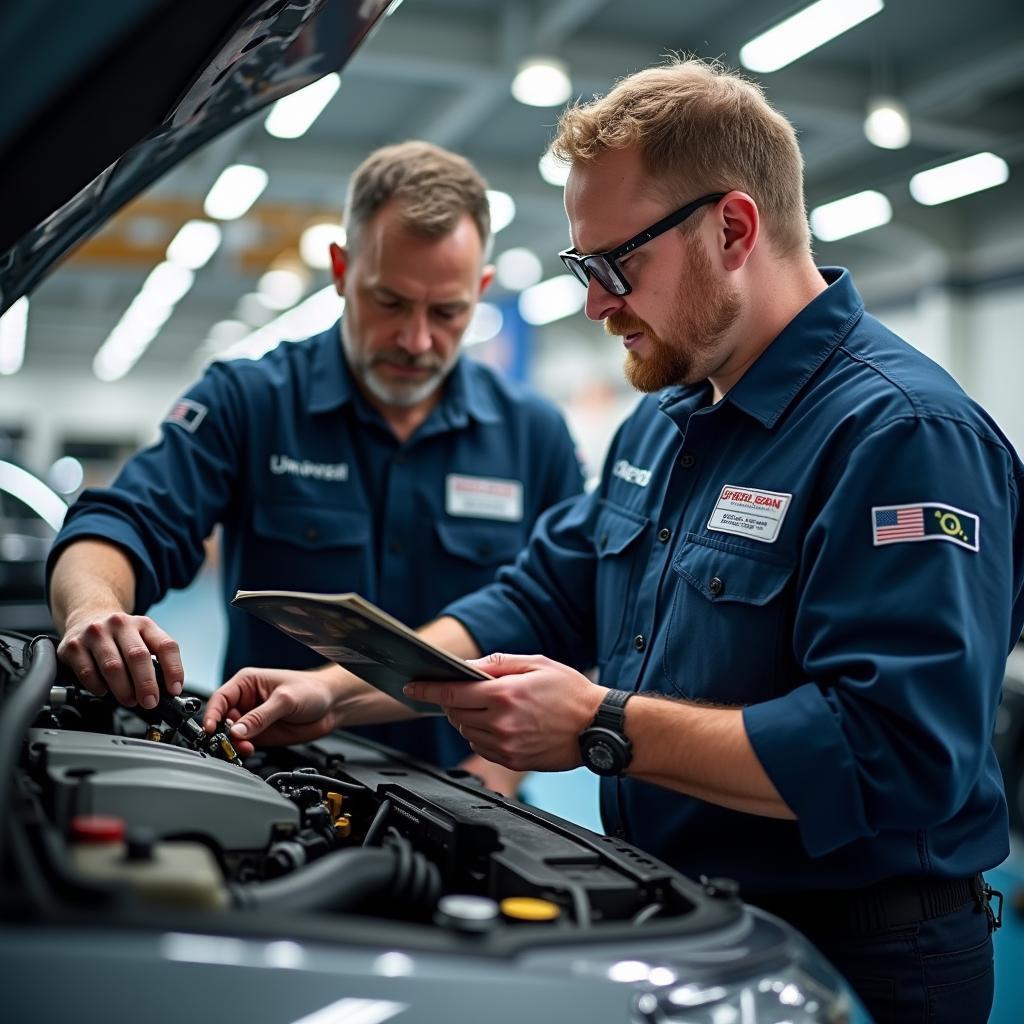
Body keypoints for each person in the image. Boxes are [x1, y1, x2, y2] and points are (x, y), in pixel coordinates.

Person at [203, 60, 1024, 1023]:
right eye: (581, 270)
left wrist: (605, 725)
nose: (596, 304)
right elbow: (543, 594)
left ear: (732, 230)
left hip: (859, 957)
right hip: (687, 924)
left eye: (613, 266)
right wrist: (331, 695)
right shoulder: (667, 419)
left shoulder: (902, 437)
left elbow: (899, 752)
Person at [48, 140, 584, 793]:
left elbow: (560, 617)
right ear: (340, 269)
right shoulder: (250, 400)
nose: (416, 341)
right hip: (269, 784)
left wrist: (492, 781)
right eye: (389, 301)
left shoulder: (535, 436)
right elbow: (126, 518)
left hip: (464, 796)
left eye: (447, 312)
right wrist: (94, 608)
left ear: (481, 290)